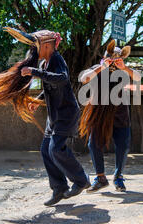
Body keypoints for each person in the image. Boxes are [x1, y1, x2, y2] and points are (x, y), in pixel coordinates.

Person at [17, 29, 90, 206]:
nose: (34, 51)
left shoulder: (57, 59)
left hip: (66, 114)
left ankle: (82, 180)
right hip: (54, 116)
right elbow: (50, 86)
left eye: (36, 46)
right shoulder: (44, 64)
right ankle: (59, 188)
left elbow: (62, 79)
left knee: (56, 149)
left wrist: (34, 71)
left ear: (47, 46)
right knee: (45, 150)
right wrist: (38, 99)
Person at [79, 40, 141, 193]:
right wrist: (102, 67)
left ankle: (118, 176)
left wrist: (124, 67)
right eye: (111, 57)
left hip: (120, 115)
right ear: (105, 56)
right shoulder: (97, 68)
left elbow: (139, 77)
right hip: (99, 115)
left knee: (123, 145)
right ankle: (101, 178)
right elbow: (83, 79)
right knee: (93, 144)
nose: (113, 61)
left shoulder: (123, 71)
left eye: (117, 58)